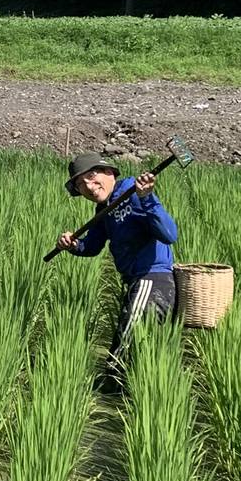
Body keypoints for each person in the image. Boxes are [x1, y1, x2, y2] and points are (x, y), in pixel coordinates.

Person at [56, 152, 178, 383]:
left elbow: (169, 234)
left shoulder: (132, 191)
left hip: (152, 277)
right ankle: (138, 392)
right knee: (143, 349)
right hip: (136, 281)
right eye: (81, 185)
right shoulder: (103, 210)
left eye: (92, 177)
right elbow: (92, 246)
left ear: (110, 172)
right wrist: (72, 245)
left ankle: (112, 385)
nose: (89, 187)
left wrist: (148, 198)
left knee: (127, 337)